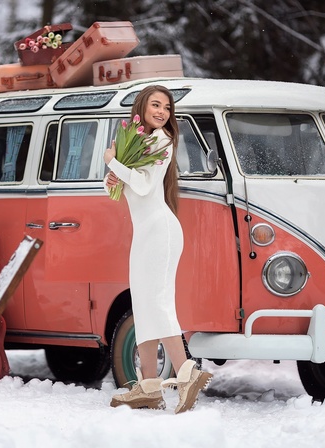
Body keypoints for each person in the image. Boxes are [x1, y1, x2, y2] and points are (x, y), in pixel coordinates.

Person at [103, 85, 212, 413]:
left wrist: (112, 161)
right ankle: (149, 386)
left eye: (167, 107)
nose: (162, 111)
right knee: (144, 306)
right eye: (156, 104)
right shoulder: (140, 142)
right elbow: (133, 187)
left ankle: (186, 371)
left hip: (160, 233)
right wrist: (113, 179)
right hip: (146, 234)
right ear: (142, 107)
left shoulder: (162, 138)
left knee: (159, 303)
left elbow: (144, 184)